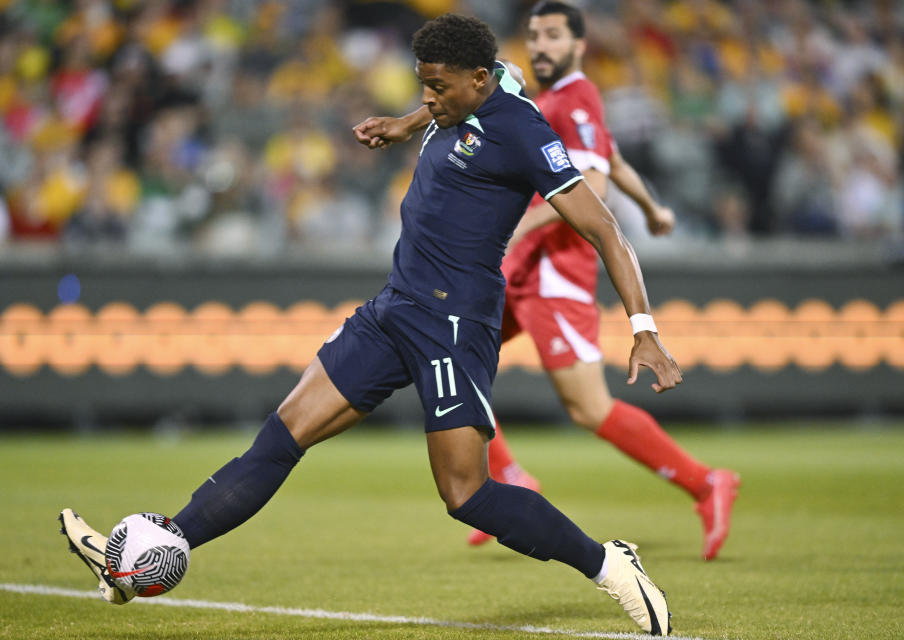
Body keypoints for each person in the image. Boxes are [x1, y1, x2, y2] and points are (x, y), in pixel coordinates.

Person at [61, 14, 680, 636]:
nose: (428, 97)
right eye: (422, 85)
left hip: (454, 323)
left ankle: (610, 567)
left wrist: (643, 328)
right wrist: (405, 123)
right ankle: (152, 555)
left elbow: (605, 229)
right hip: (393, 309)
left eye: (437, 87)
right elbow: (448, 104)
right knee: (281, 438)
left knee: (466, 495)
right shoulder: (480, 88)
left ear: (478, 78)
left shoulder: (523, 129)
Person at [354, 1, 739, 562]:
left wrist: (510, 236)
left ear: (580, 46)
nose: (540, 46)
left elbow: (591, 189)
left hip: (554, 272)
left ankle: (705, 482)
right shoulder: (525, 90)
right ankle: (510, 476)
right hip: (518, 274)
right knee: (438, 353)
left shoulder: (577, 96)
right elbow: (612, 156)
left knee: (587, 407)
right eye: (534, 35)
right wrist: (653, 207)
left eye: (554, 36)